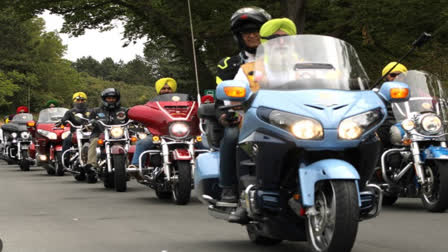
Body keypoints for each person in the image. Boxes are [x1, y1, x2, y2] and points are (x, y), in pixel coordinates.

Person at [214, 7, 271, 204]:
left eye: (257, 31)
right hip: (244, 115)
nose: (253, 35)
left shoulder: (283, 60)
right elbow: (221, 99)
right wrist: (225, 114)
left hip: (283, 113)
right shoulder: (229, 65)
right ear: (239, 36)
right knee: (231, 135)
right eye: (247, 32)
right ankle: (228, 187)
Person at [128, 78, 176, 171]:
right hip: (157, 134)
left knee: (203, 143)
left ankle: (211, 166)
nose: (166, 90)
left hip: (181, 133)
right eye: (164, 88)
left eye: (169, 88)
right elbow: (145, 114)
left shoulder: (181, 103)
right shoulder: (152, 104)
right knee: (142, 143)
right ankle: (136, 166)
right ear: (159, 89)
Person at [85, 88, 128, 182]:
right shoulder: (96, 111)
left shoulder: (124, 111)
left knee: (133, 142)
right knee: (95, 141)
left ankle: (134, 165)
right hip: (100, 134)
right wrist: (91, 122)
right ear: (104, 99)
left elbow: (133, 118)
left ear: (117, 99)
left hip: (120, 136)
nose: (111, 100)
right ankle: (92, 165)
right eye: (109, 98)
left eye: (113, 98)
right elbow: (89, 121)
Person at [57, 92, 90, 166]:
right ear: (74, 101)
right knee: (66, 141)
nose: (80, 102)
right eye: (78, 100)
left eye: (82, 100)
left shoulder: (90, 111)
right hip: (75, 132)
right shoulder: (70, 112)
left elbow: (96, 119)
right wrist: (62, 122)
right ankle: (65, 159)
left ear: (85, 101)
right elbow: (64, 120)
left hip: (88, 133)